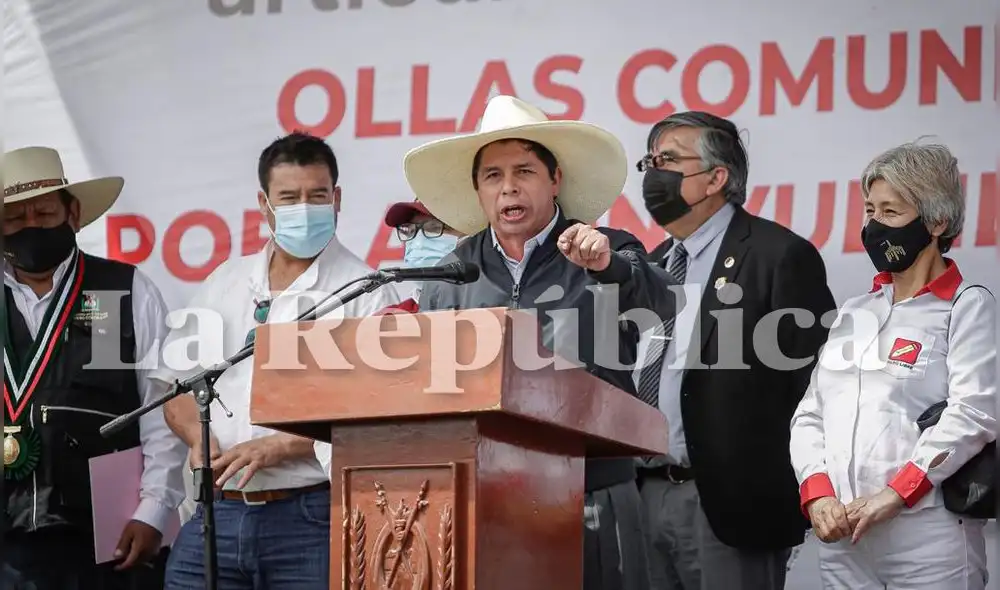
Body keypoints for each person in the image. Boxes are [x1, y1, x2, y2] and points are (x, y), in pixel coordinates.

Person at [401, 95, 679, 590]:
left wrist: (607, 268)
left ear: (555, 180)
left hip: (592, 488)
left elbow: (661, 303)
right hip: (483, 498)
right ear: (478, 190)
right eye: (493, 175)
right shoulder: (448, 276)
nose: (508, 187)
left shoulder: (606, 248)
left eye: (524, 171)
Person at [154, 132, 401, 589]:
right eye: (289, 198)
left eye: (317, 196)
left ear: (337, 199)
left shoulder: (367, 290)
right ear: (265, 205)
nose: (304, 208)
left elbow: (380, 414)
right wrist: (196, 435)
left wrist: (283, 445)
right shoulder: (225, 280)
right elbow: (174, 388)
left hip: (311, 515)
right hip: (220, 510)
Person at [633, 111, 837, 590]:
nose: (654, 173)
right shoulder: (651, 264)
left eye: (669, 160)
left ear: (715, 178)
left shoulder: (777, 255)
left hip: (730, 504)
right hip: (646, 495)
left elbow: (814, 391)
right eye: (650, 162)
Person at [790, 142, 996, 589]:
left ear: (937, 222)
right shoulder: (854, 311)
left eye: (891, 212)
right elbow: (811, 414)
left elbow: (976, 412)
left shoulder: (967, 306)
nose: (875, 226)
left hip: (927, 534)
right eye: (870, 210)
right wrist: (817, 491)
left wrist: (898, 493)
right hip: (843, 537)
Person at [1, 146, 187, 589]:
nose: (31, 226)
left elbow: (161, 410)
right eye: (14, 218)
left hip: (109, 542)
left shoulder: (119, 290)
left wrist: (154, 509)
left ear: (74, 212)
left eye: (44, 213)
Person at [381, 199, 466, 312]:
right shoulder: (390, 320)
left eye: (434, 227)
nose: (418, 242)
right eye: (409, 231)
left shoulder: (493, 303)